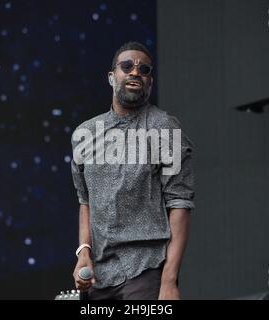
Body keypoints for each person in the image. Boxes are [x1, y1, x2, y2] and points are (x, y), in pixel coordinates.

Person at [71, 41, 195, 300]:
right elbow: (85, 201)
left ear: (150, 82)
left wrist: (169, 280)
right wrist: (84, 251)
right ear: (111, 77)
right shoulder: (85, 133)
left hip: (145, 271)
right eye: (126, 66)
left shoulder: (165, 128)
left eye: (144, 69)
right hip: (98, 277)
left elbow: (180, 204)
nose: (135, 72)